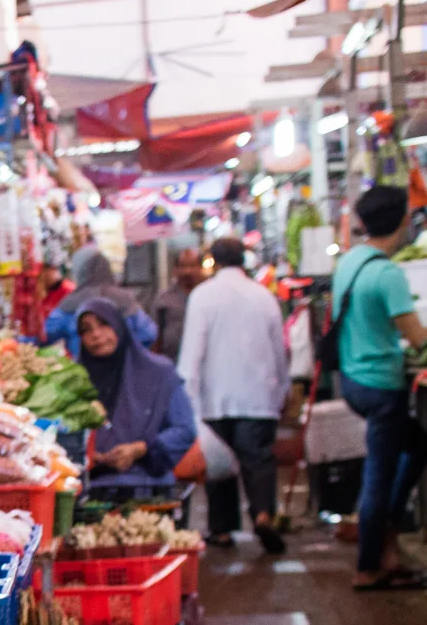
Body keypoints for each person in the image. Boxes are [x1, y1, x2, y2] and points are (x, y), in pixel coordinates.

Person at [334, 185, 427, 590]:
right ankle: (368, 564)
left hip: (353, 380)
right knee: (379, 473)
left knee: (419, 447)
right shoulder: (388, 273)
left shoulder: (351, 263)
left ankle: (387, 545)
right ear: (404, 221)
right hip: (381, 386)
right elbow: (416, 336)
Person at [177, 237, 289, 554]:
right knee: (258, 460)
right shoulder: (264, 297)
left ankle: (222, 529)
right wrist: (282, 387)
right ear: (244, 260)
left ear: (213, 261)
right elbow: (279, 350)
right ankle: (263, 513)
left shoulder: (202, 296)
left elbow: (192, 352)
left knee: (218, 465)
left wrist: (187, 396)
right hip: (258, 395)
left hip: (215, 396)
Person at [74, 295, 197, 496]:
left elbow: (184, 429)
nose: (96, 335)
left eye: (104, 324)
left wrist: (140, 449)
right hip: (89, 490)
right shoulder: (73, 380)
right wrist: (85, 456)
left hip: (147, 489)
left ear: (119, 327)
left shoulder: (159, 373)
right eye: (86, 330)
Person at [45, 245, 158, 358]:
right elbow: (149, 333)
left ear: (79, 271)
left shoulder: (69, 305)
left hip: (86, 372)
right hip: (125, 370)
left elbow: (43, 336)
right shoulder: (124, 299)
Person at [152, 242, 206, 363]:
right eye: (183, 266)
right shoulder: (164, 298)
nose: (187, 271)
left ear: (200, 268)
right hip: (173, 363)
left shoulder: (210, 296)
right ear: (176, 269)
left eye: (192, 266)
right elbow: (156, 336)